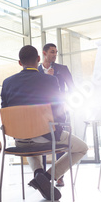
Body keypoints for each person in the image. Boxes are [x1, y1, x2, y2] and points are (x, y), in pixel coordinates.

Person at [1, 45, 88, 201]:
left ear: (20, 63)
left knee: (30, 144)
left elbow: (5, 111)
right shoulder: (50, 80)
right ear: (39, 59)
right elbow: (58, 110)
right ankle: (47, 177)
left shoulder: (7, 83)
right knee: (82, 148)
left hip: (20, 139)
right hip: (45, 136)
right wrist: (60, 125)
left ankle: (38, 175)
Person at [38, 43, 76, 187]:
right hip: (41, 112)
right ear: (44, 53)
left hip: (60, 111)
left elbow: (72, 88)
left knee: (60, 141)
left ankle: (59, 175)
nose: (55, 54)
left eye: (56, 52)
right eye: (52, 52)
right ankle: (41, 174)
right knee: (41, 140)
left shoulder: (62, 69)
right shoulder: (36, 71)